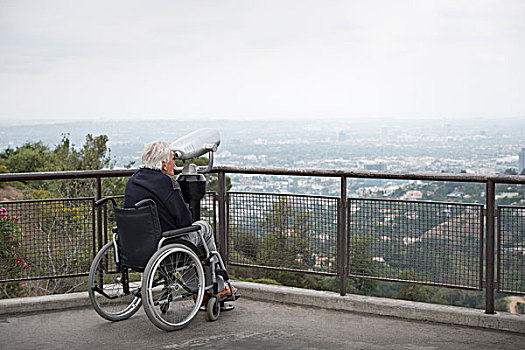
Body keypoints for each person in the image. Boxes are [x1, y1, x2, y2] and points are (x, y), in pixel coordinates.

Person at [124, 140, 236, 298]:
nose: (174, 163)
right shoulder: (167, 183)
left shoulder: (133, 181)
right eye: (172, 159)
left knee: (185, 241)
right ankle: (218, 285)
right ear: (163, 164)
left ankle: (199, 289)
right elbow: (185, 221)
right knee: (203, 229)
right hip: (164, 248)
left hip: (136, 249)